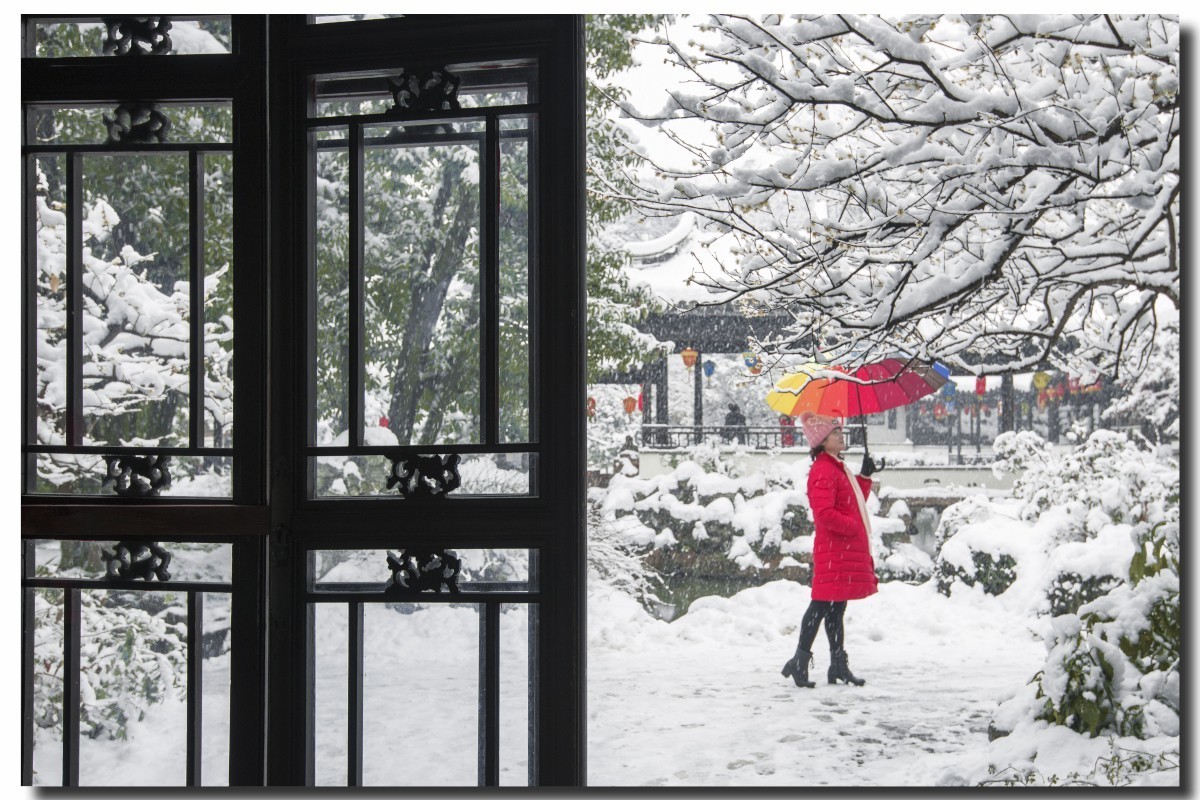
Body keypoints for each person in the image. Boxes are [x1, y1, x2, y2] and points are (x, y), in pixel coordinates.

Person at [781, 412, 882, 688]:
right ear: (823, 441)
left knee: (836, 609)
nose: (841, 435)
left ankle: (837, 665)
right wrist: (853, 528)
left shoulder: (836, 467)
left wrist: (865, 475)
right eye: (835, 432)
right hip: (835, 550)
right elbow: (824, 513)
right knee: (821, 605)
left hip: (840, 550)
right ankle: (799, 662)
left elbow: (851, 501)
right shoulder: (823, 470)